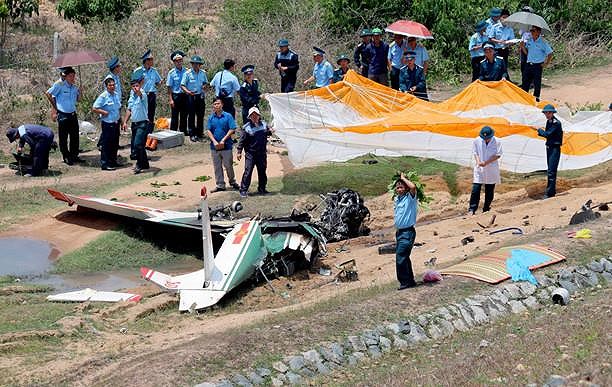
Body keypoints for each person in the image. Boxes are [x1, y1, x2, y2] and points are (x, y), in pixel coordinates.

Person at [44, 66, 81, 165]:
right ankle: (66, 156)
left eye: (74, 76)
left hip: (73, 114)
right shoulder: (59, 85)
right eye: (71, 76)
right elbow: (48, 93)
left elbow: (78, 100)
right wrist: (55, 108)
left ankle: (74, 155)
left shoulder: (74, 87)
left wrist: (80, 92)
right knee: (63, 137)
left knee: (75, 136)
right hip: (63, 114)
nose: (73, 78)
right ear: (66, 76)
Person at [236, 106, 272, 197]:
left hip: (262, 153)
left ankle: (262, 188)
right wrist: (239, 151)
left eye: (256, 115)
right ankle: (243, 190)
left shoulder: (264, 125)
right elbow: (242, 140)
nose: (254, 117)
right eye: (252, 115)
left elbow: (268, 133)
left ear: (259, 115)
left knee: (262, 171)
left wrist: (271, 130)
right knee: (248, 171)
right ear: (249, 117)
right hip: (250, 154)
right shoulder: (246, 128)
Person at [206, 97, 239, 192]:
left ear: (222, 104)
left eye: (218, 103)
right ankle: (220, 184)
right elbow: (208, 130)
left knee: (228, 165)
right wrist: (214, 141)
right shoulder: (211, 117)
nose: (217, 105)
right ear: (213, 106)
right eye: (215, 104)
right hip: (214, 147)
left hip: (227, 145)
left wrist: (224, 140)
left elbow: (232, 128)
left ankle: (232, 181)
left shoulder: (228, 116)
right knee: (217, 166)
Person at [468, 126, 502, 215]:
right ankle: (472, 209)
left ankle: (486, 208)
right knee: (476, 188)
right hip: (480, 168)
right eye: (484, 138)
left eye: (488, 138)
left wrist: (486, 162)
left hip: (491, 168)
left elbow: (498, 155)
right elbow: (475, 152)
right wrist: (479, 161)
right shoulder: (477, 140)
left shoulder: (497, 141)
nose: (486, 140)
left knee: (489, 189)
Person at [393, 172, 418, 290]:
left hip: (407, 232)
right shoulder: (398, 200)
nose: (399, 189)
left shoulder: (410, 198)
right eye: (397, 187)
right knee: (405, 257)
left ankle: (404, 282)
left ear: (406, 188)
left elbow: (413, 187)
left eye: (401, 187)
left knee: (400, 256)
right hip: (400, 233)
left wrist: (403, 178)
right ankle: (410, 280)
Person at [122, 69, 150, 174]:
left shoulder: (142, 94)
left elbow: (140, 95)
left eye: (137, 86)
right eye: (133, 86)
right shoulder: (132, 95)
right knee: (136, 145)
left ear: (140, 85)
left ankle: (139, 164)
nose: (135, 88)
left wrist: (138, 91)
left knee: (138, 144)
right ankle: (145, 163)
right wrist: (125, 122)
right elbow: (129, 109)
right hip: (134, 124)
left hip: (142, 123)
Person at [92, 76, 122, 171]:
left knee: (115, 143)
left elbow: (118, 108)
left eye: (113, 85)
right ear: (106, 86)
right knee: (106, 144)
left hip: (116, 122)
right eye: (110, 85)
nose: (112, 87)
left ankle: (113, 161)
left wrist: (120, 120)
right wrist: (103, 112)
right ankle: (105, 163)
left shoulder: (116, 95)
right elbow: (94, 108)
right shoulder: (103, 96)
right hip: (107, 123)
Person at [536, 104, 563, 199]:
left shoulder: (556, 123)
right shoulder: (549, 122)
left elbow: (547, 134)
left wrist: (539, 130)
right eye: (546, 113)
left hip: (554, 148)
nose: (547, 114)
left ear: (552, 113)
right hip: (549, 147)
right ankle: (551, 191)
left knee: (551, 171)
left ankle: (550, 193)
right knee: (550, 170)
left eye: (549, 113)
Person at [520, 26, 553, 101]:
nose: (531, 32)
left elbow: (550, 53)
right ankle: (524, 99)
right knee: (525, 82)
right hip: (528, 64)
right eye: (531, 30)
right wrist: (522, 47)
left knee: (537, 84)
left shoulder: (543, 42)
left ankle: (536, 100)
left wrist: (546, 63)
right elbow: (527, 53)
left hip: (537, 66)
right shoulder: (530, 40)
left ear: (538, 32)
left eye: (533, 30)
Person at [181, 55, 208, 142]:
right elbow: (182, 85)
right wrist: (187, 92)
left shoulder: (203, 73)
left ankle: (200, 133)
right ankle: (192, 134)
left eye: (197, 64)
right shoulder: (187, 73)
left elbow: (206, 83)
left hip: (200, 96)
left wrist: (204, 86)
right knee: (191, 116)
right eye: (194, 64)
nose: (196, 65)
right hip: (191, 96)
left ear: (200, 65)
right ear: (192, 64)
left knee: (200, 115)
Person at [136, 50, 162, 133]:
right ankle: (141, 132)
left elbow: (158, 81)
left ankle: (149, 133)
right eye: (151, 59)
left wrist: (160, 82)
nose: (153, 61)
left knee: (151, 114)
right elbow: (134, 84)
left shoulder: (154, 71)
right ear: (146, 61)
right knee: (142, 114)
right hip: (142, 95)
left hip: (151, 95)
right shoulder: (138, 71)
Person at [166, 50, 188, 134]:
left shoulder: (187, 71)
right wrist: (170, 99)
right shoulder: (171, 73)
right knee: (175, 115)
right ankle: (173, 131)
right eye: (176, 61)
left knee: (184, 114)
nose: (178, 62)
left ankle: (183, 131)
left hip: (185, 96)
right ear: (174, 62)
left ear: (182, 61)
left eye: (180, 60)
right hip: (176, 96)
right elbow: (169, 87)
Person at [490, 9, 516, 76]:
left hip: (505, 49)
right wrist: (499, 41)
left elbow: (512, 40)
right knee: (497, 65)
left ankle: (504, 79)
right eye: (504, 17)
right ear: (500, 18)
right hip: (496, 50)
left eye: (507, 17)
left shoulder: (510, 28)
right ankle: (496, 79)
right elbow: (490, 38)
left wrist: (510, 43)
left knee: (504, 65)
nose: (505, 19)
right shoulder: (495, 27)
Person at [518, 6, 535, 84]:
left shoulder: (535, 24)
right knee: (523, 64)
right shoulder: (522, 23)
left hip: (531, 46)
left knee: (531, 64)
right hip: (523, 45)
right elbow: (521, 35)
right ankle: (525, 81)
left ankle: (531, 82)